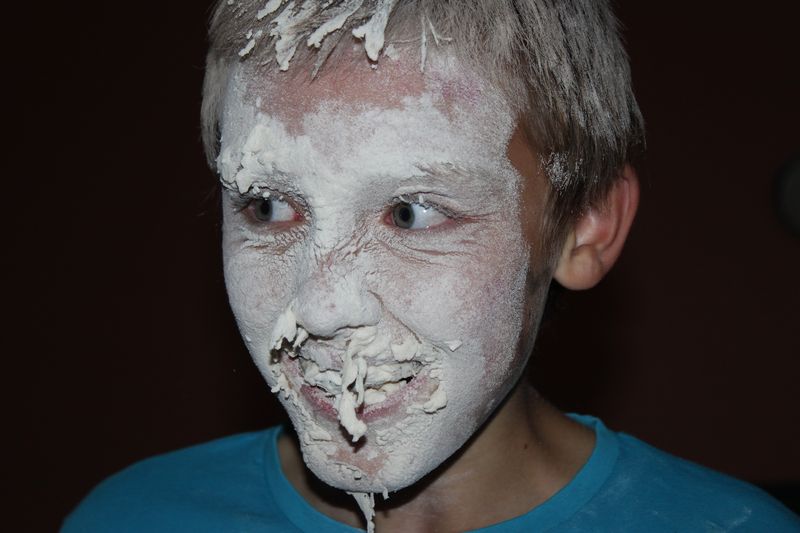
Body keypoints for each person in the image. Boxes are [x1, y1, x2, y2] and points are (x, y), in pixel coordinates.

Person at [63, 1, 800, 531]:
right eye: (269, 207)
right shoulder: (127, 518)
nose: (322, 307)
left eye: (411, 213)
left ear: (584, 228)